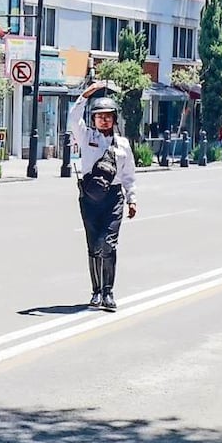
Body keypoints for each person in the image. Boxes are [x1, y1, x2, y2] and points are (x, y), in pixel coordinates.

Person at [68, 82, 137, 312]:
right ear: (94, 120)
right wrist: (87, 94)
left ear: (114, 119)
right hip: (90, 199)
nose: (103, 120)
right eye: (99, 117)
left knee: (108, 245)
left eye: (108, 116)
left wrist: (132, 199)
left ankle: (108, 292)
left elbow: (128, 175)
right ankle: (96, 292)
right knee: (93, 246)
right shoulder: (86, 136)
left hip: (113, 199)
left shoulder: (123, 145)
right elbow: (73, 117)